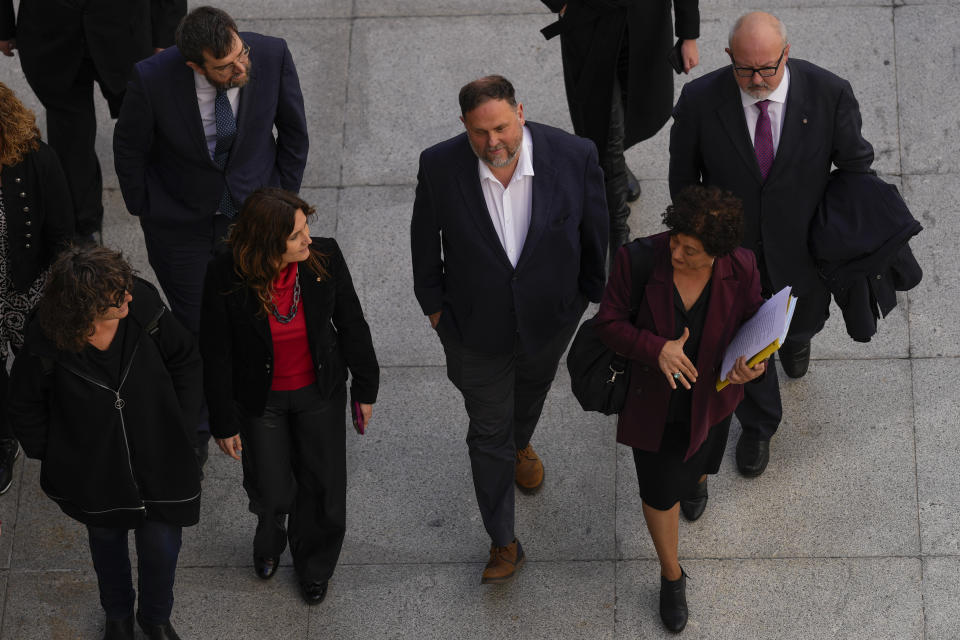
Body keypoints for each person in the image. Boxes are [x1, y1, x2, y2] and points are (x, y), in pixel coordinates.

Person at [410, 75, 607, 584]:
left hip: (550, 319)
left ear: (520, 112)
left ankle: (523, 440)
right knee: (486, 433)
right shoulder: (438, 165)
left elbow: (596, 232)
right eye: (479, 133)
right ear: (464, 127)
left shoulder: (574, 155)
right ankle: (503, 541)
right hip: (472, 330)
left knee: (533, 390)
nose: (492, 142)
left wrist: (585, 298)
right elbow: (422, 243)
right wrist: (435, 311)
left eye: (500, 127)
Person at [668, 11, 874, 476]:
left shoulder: (829, 93)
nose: (757, 80)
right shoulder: (700, 101)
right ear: (728, 58)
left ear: (787, 53)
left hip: (804, 254)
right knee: (742, 348)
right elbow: (684, 182)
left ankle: (797, 342)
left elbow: (856, 167)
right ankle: (759, 427)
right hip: (734, 258)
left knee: (801, 327)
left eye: (768, 68)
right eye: (745, 70)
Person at [113, 5, 309, 466]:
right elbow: (130, 148)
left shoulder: (272, 54)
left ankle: (260, 405)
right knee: (199, 324)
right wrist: (147, 207)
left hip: (253, 217)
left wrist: (279, 206)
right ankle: (203, 427)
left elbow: (295, 134)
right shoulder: (151, 78)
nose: (240, 67)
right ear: (194, 65)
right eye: (224, 67)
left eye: (240, 55)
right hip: (181, 225)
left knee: (257, 309)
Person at [594, 186, 766, 632]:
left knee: (702, 461)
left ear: (718, 255)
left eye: (691, 251)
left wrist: (755, 366)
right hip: (653, 404)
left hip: (713, 397)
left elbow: (753, 323)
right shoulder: (638, 260)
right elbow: (607, 325)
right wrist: (656, 350)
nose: (677, 253)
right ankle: (672, 576)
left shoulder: (742, 267)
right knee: (658, 491)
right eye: (675, 239)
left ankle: (696, 481)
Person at [7, 246, 202, 640]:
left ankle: (155, 617)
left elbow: (185, 358)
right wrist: (56, 452)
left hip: (160, 453)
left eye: (125, 286)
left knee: (162, 546)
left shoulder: (142, 306)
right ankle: (117, 615)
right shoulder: (47, 338)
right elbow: (24, 402)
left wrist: (183, 425)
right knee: (107, 544)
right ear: (85, 307)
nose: (128, 295)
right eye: (117, 294)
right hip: (94, 468)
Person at [200, 188, 379, 605]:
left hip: (319, 391)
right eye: (297, 235)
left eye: (306, 227)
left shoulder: (324, 258)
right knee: (272, 489)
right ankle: (270, 532)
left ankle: (314, 566)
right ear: (267, 243)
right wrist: (223, 421)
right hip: (262, 400)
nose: (308, 239)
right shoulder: (225, 273)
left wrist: (366, 387)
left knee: (324, 487)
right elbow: (216, 351)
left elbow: (352, 322)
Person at [0, 0, 186, 243]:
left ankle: (166, 200)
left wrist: (167, 33)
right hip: (49, 36)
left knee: (145, 121)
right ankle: (84, 227)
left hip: (128, 34)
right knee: (70, 135)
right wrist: (3, 26)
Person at [540, 0, 699, 255]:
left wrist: (688, 33)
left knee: (645, 111)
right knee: (601, 120)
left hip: (647, 20)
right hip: (590, 22)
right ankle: (617, 233)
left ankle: (610, 165)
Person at [0, 82, 74, 496]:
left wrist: (65, 292)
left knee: (42, 366)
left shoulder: (35, 159)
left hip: (27, 286)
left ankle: (59, 435)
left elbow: (63, 231)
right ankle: (3, 439)